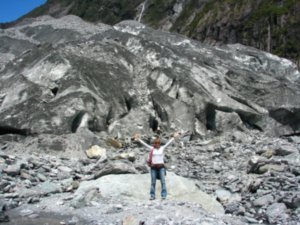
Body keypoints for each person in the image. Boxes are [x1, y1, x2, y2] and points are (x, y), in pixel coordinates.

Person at [134, 132, 180, 200]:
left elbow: (168, 143)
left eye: (158, 143)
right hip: (153, 168)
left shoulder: (162, 148)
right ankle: (152, 195)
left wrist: (174, 137)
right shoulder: (152, 149)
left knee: (163, 181)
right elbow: (145, 144)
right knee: (153, 182)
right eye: (156, 143)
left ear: (159, 144)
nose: (157, 145)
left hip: (161, 167)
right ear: (154, 144)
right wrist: (139, 139)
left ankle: (163, 195)